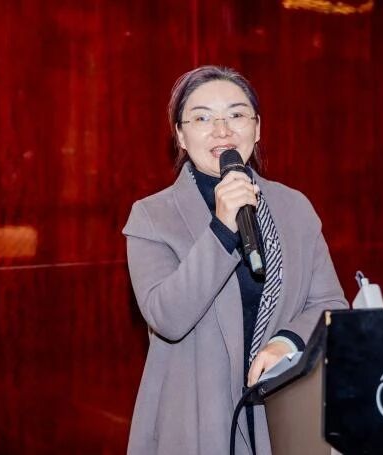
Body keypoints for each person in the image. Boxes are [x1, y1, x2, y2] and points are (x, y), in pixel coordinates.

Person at [122, 65, 348, 455]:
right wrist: (222, 229)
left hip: (279, 410)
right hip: (194, 417)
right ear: (180, 136)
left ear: (257, 128)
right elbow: (167, 317)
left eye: (237, 114)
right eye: (202, 118)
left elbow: (330, 304)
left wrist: (287, 342)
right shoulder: (152, 216)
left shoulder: (294, 207)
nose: (222, 130)